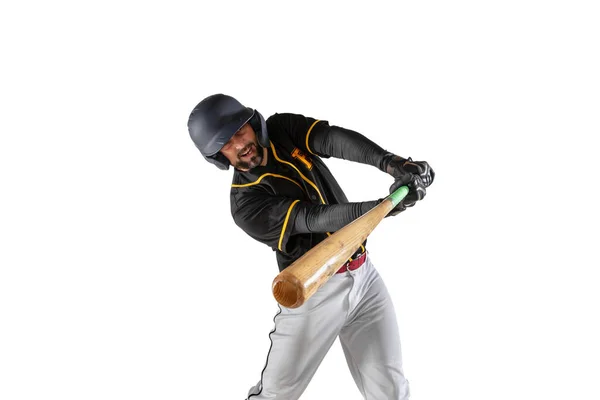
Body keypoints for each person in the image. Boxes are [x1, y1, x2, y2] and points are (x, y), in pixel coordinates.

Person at [187, 94, 434, 400]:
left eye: (240, 132)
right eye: (226, 144)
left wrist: (393, 163)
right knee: (275, 396)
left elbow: (332, 139)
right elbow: (311, 218)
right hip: (314, 293)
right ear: (217, 156)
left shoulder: (281, 129)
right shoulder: (245, 204)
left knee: (391, 390)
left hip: (364, 276)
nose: (239, 145)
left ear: (252, 124)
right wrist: (384, 207)